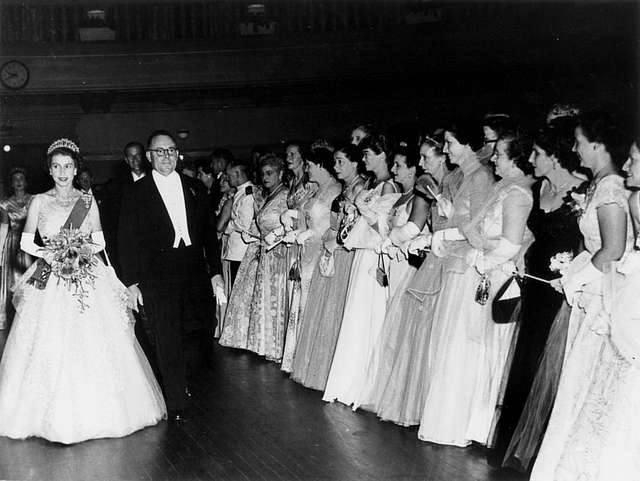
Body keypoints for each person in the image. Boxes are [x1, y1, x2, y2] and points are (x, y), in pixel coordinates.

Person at [0, 138, 166, 444]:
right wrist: (54, 252)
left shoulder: (87, 202)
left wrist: (77, 250)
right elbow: (25, 243)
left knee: (93, 339)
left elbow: (100, 242)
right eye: (56, 166)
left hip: (84, 274)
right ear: (49, 170)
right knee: (47, 339)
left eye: (68, 166)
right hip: (49, 274)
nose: (62, 172)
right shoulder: (38, 201)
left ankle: (100, 412)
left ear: (77, 169)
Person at [531, 111, 636, 481]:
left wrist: (575, 278)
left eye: (578, 141)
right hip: (590, 290)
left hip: (604, 295)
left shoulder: (610, 189)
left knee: (587, 380)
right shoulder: (599, 184)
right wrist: (572, 268)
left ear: (597, 145)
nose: (574, 148)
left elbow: (612, 250)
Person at [367, 127, 493, 426]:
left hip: (453, 261)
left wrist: (440, 233)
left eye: (427, 156)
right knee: (421, 335)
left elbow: (471, 225)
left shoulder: (468, 178)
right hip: (436, 259)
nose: (422, 163)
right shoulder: (444, 181)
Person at [418, 130, 534, 447]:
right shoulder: (501, 185)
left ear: (516, 158)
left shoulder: (517, 191)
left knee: (479, 348)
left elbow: (510, 241)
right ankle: (466, 423)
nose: (493, 157)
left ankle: (476, 425)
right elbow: (478, 228)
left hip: (493, 273)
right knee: (466, 346)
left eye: (500, 154)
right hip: (481, 267)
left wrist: (480, 253)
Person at [491, 123, 586, 471]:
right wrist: (520, 256)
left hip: (559, 293)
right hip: (532, 285)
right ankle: (514, 446)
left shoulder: (581, 190)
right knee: (525, 363)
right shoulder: (541, 187)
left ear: (555, 156)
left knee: (549, 369)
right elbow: (532, 234)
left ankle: (540, 452)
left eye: (537, 154)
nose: (531, 160)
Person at [118, 130, 218, 422]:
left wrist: (214, 273)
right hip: (157, 274)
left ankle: (188, 384)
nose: (166, 157)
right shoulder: (136, 193)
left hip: (194, 271)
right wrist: (132, 282)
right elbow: (126, 239)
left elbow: (210, 235)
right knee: (167, 336)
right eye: (159, 152)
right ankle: (176, 399)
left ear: (178, 153)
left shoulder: (195, 187)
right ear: (149, 157)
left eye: (171, 150)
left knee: (201, 331)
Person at [322, 132, 400, 408]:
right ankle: (349, 382)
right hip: (361, 254)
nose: (364, 158)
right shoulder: (373, 185)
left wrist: (362, 209)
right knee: (355, 316)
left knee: (368, 316)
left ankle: (364, 385)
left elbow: (384, 228)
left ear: (382, 155)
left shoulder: (390, 187)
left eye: (367, 154)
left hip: (373, 256)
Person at [289, 144, 366, 390]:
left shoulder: (350, 189)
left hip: (338, 252)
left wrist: (327, 238)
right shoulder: (337, 189)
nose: (336, 167)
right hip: (321, 249)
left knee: (331, 309)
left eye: (340, 161)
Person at [280, 147, 341, 372]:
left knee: (312, 300)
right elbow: (309, 217)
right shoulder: (316, 189)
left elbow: (330, 225)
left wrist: (310, 233)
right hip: (305, 252)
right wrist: (294, 222)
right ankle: (298, 358)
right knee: (301, 298)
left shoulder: (335, 189)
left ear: (321, 165)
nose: (306, 169)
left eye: (310, 165)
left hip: (319, 252)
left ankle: (310, 362)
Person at [103, 141, 148, 275]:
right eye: (130, 156)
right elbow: (110, 220)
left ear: (144, 156)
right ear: (126, 160)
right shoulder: (115, 186)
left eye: (138, 155)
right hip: (129, 247)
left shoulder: (156, 179)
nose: (135, 159)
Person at [0, 167, 33, 330]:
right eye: (15, 179)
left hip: (29, 243)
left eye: (21, 178)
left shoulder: (34, 200)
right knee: (13, 280)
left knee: (29, 280)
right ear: (12, 184)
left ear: (26, 182)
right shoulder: (5, 203)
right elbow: (4, 227)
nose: (19, 182)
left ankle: (29, 318)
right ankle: (13, 320)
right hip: (13, 245)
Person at [223, 160, 255, 285]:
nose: (227, 178)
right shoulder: (240, 192)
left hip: (240, 252)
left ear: (237, 174)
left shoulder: (248, 193)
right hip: (236, 251)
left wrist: (228, 227)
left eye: (229, 174)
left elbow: (243, 223)